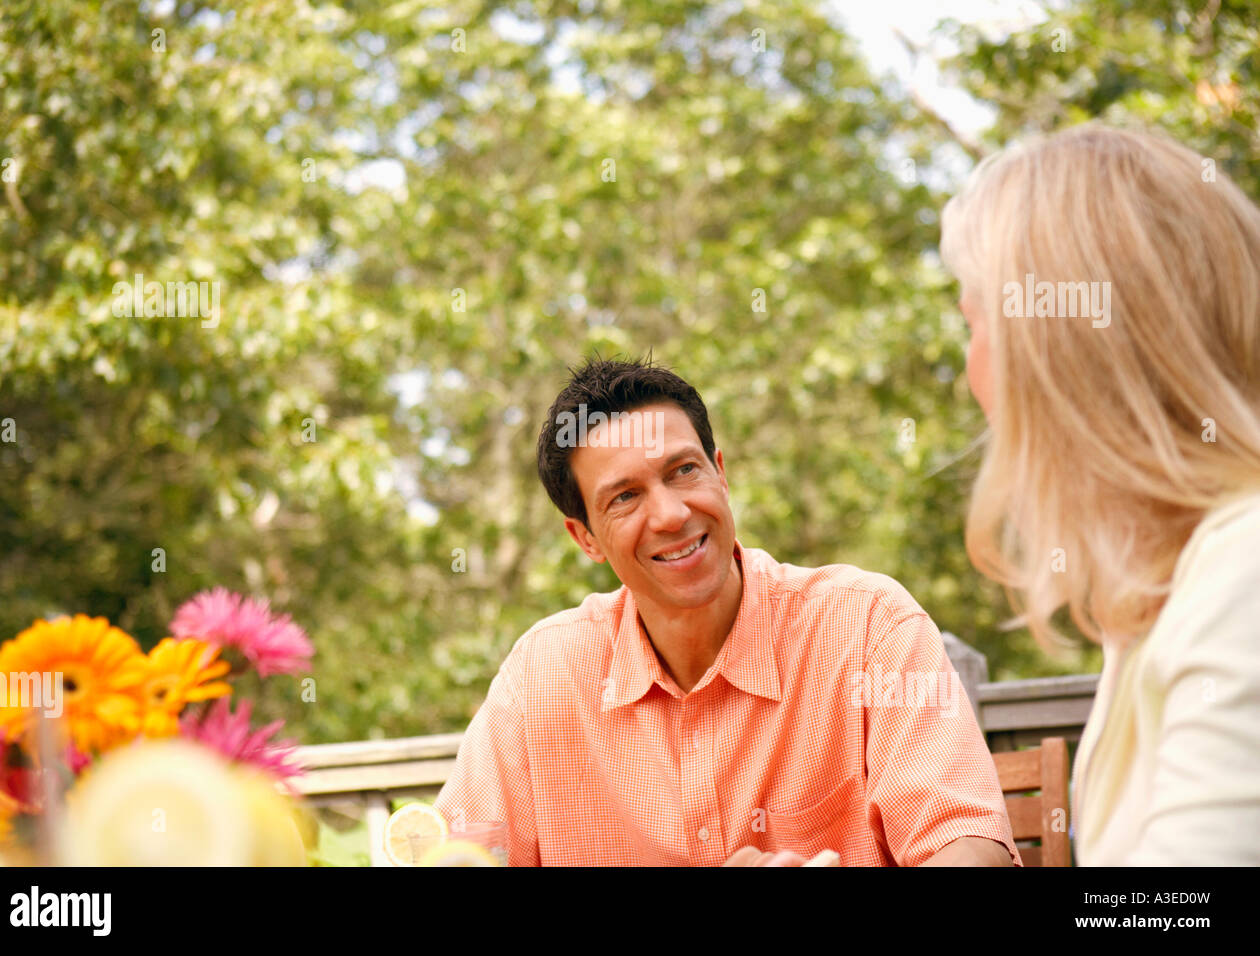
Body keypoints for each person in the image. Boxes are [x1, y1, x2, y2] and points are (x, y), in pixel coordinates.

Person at [436, 358, 1018, 866]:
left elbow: (968, 845)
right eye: (625, 497)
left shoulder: (868, 626)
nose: (669, 514)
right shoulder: (542, 676)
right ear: (585, 538)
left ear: (720, 470)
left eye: (682, 471)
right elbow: (457, 854)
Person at [939, 123, 1260, 865]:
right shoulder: (1167, 591)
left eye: (973, 326)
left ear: (1059, 358)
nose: (971, 371)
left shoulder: (1241, 575)